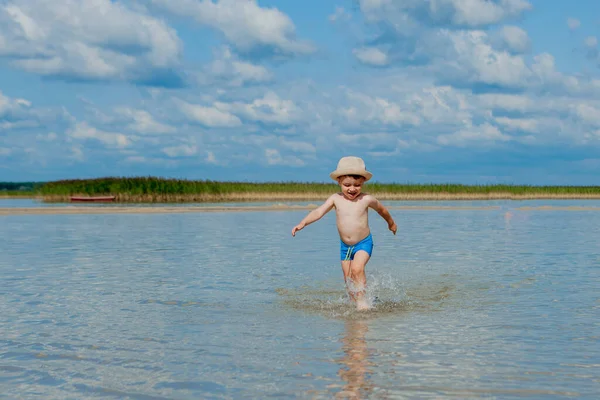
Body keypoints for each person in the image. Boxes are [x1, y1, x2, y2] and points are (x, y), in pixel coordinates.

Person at [291, 156, 397, 310]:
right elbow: (318, 211)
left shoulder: (366, 199)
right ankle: (354, 303)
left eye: (357, 185)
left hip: (363, 243)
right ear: (339, 181)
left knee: (357, 269)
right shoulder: (335, 199)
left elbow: (382, 210)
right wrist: (303, 223)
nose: (352, 189)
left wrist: (391, 223)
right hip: (345, 247)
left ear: (363, 183)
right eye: (347, 185)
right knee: (348, 279)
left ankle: (363, 303)